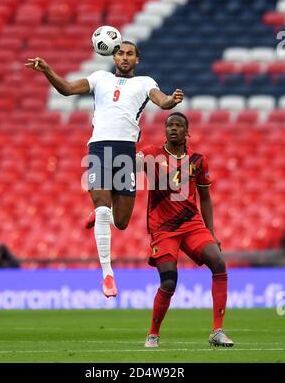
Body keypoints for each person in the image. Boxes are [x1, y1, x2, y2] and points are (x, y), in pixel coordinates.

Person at [25, 41, 184, 297]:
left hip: (125, 154)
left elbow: (161, 101)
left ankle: (101, 215)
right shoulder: (100, 78)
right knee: (101, 210)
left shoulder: (144, 83)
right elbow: (66, 89)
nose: (124, 57)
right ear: (113, 56)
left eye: (129, 54)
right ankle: (107, 274)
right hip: (99, 150)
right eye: (120, 52)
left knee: (120, 223)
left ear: (137, 60)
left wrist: (170, 101)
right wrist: (47, 70)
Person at [136, 112, 234, 348]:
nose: (174, 129)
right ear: (165, 130)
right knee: (169, 281)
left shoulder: (198, 161)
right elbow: (130, 163)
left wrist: (211, 232)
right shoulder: (151, 154)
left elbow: (206, 199)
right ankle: (153, 334)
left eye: (179, 125)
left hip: (192, 225)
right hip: (163, 228)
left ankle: (217, 331)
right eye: (170, 125)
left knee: (219, 263)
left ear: (186, 132)